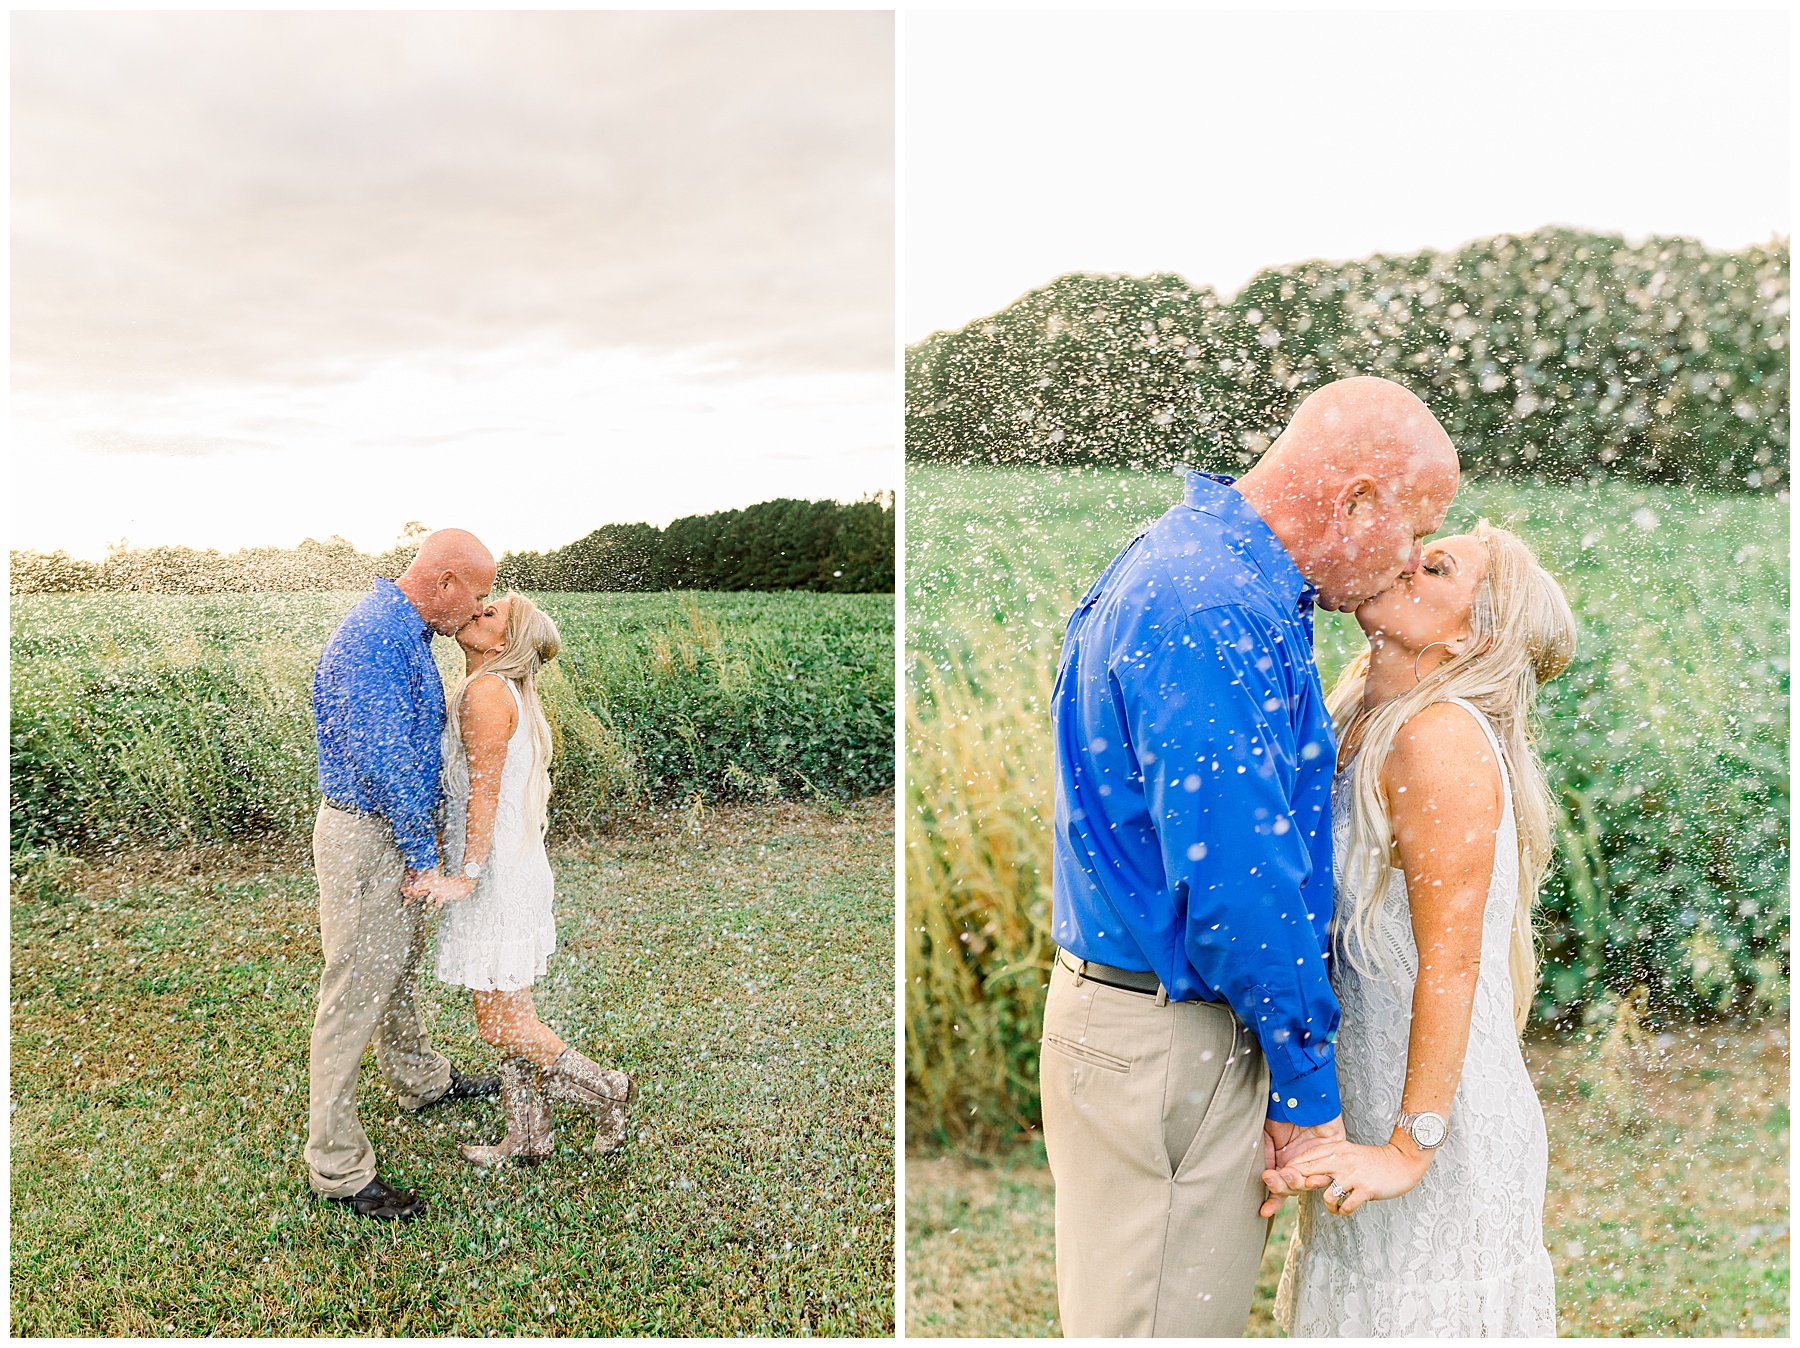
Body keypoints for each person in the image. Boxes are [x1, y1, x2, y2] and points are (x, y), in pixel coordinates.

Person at [1042, 375, 1459, 1335]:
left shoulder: (1207, 570)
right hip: (1172, 1045)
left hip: (1161, 1026)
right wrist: (1306, 1090)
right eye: (1415, 530)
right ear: (1356, 502)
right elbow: (1241, 889)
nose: (1411, 561)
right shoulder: (1210, 604)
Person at [1269, 521, 1574, 1336]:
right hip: (1364, 1097)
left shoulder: (1436, 736)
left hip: (1437, 1121)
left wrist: (1410, 1149)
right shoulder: (1356, 715)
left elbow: (1451, 962)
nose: (1404, 559)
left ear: (1473, 639)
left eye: (1435, 567)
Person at [306, 529, 503, 1222]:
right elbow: (387, 759)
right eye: (476, 597)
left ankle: (420, 1079)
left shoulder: (407, 631)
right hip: (370, 837)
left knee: (396, 966)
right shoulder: (375, 638)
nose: (477, 612)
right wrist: (422, 854)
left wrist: (430, 829)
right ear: (445, 582)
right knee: (353, 990)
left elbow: (412, 748)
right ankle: (337, 1166)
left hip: (395, 829)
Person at [429, 591, 638, 1167]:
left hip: (495, 873)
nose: (476, 611)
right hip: (511, 867)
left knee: (500, 1025)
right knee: (512, 1015)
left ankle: (606, 1090)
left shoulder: (487, 693)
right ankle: (527, 1136)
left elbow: (484, 794)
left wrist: (466, 875)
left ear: (504, 642)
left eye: (491, 612)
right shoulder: (499, 689)